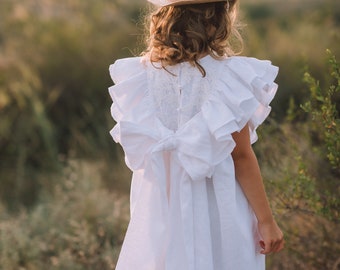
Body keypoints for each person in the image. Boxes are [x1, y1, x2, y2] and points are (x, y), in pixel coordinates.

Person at [108, 0, 284, 269]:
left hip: (161, 208)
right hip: (219, 207)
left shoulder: (140, 77)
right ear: (216, 22)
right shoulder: (228, 77)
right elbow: (241, 156)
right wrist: (266, 221)